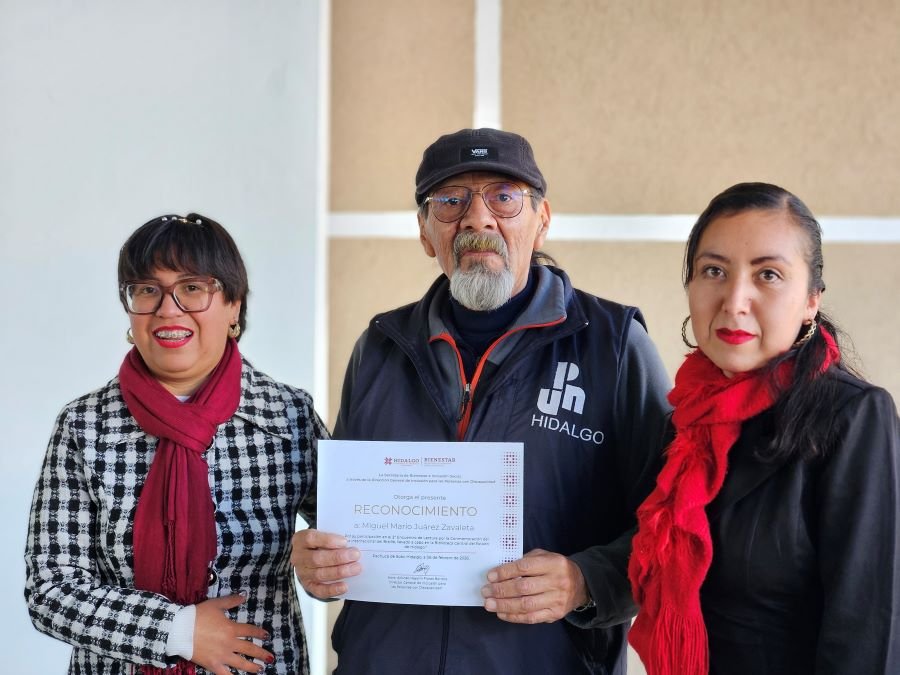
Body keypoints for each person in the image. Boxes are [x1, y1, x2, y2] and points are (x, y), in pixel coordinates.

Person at [291, 128, 672, 674]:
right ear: (426, 232)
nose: (477, 219)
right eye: (450, 201)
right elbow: (345, 524)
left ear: (541, 220)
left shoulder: (612, 345)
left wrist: (585, 581)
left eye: (504, 197)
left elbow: (672, 529)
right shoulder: (379, 347)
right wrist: (319, 566)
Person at [25, 214, 327, 675]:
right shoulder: (85, 426)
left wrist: (325, 569)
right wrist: (177, 631)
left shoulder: (288, 416)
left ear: (234, 306)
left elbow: (358, 539)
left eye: (192, 288)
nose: (168, 309)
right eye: (147, 289)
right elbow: (50, 590)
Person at [628, 182, 900, 675]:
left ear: (811, 300)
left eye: (768, 274)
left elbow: (867, 633)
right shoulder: (686, 424)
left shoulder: (852, 417)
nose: (734, 301)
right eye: (714, 271)